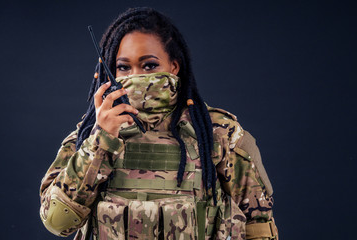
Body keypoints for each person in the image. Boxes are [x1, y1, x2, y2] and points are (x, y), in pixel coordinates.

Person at [39, 7, 278, 240]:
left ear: (174, 66)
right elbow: (57, 222)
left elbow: (259, 228)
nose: (137, 76)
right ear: (111, 71)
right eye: (123, 67)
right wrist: (101, 142)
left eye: (149, 65)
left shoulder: (216, 132)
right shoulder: (91, 134)